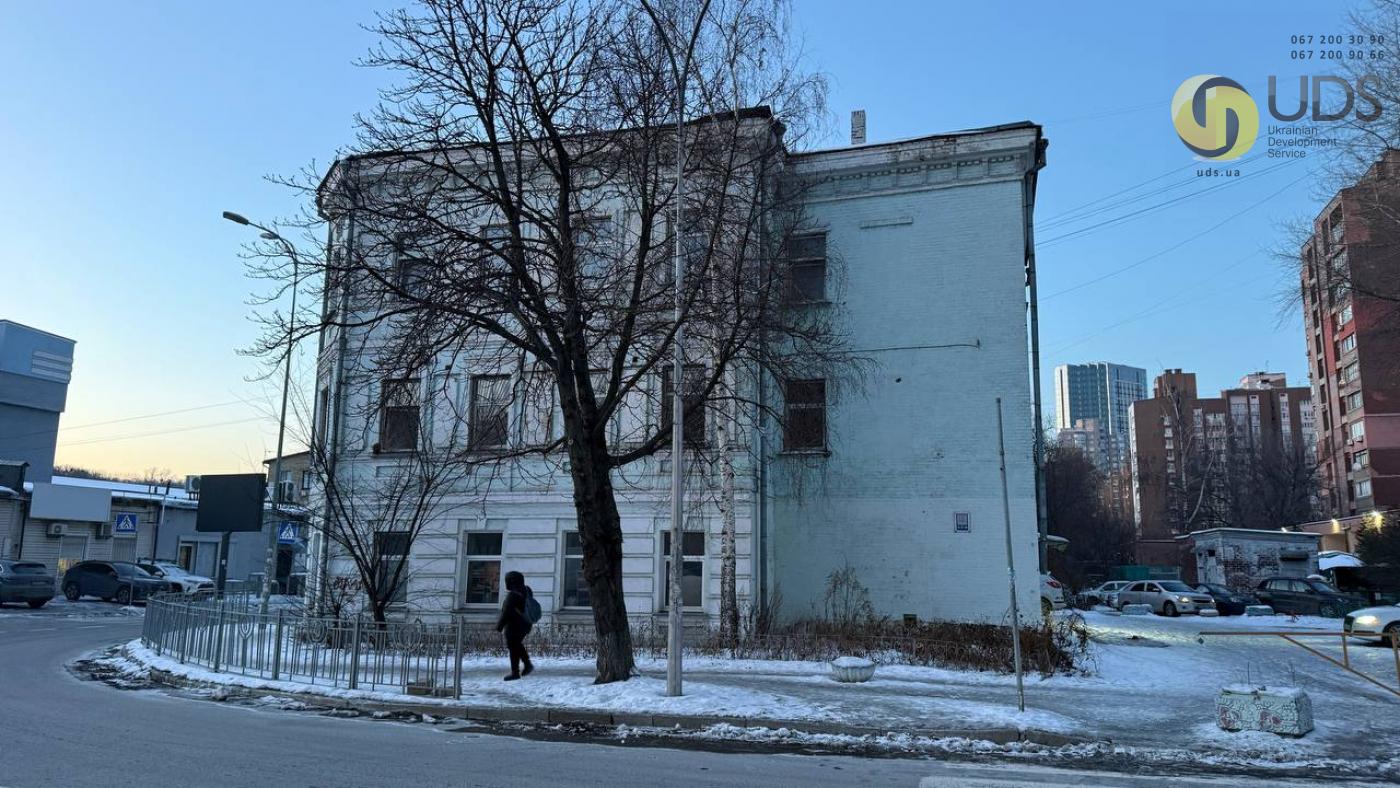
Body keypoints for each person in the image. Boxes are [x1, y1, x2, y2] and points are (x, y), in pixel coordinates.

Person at [495, 570, 534, 681]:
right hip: (526, 624)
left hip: (514, 626)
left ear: (512, 582)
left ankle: (515, 672)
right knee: (517, 645)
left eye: (507, 581)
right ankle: (527, 664)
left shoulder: (513, 595)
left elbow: (506, 612)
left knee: (513, 647)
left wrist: (499, 627)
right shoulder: (526, 590)